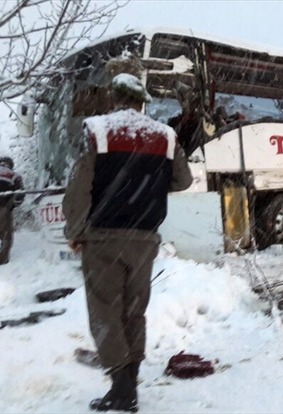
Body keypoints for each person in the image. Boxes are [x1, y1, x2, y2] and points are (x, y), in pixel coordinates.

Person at [62, 73, 193, 412]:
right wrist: (147, 187)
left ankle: (121, 387)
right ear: (142, 102)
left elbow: (79, 187)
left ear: (115, 100)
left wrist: (75, 231)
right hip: (145, 238)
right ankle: (129, 381)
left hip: (104, 236)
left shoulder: (98, 130)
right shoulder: (165, 135)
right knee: (134, 312)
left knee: (105, 312)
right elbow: (182, 180)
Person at [0, 156, 24, 264]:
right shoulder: (14, 175)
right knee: (6, 235)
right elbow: (20, 194)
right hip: (4, 207)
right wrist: (10, 206)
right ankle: (2, 259)